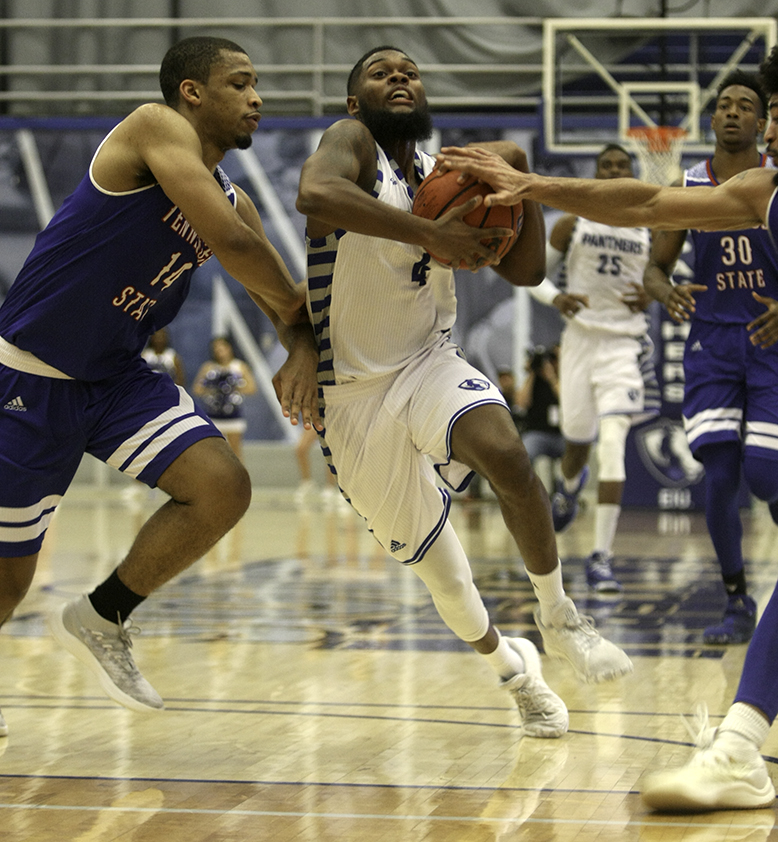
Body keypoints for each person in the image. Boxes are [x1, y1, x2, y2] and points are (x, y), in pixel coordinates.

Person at [435, 45, 778, 812]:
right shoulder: (758, 187)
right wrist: (533, 187)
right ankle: (738, 742)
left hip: (750, 344)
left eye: (772, 111)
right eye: (767, 110)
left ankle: (738, 745)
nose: (764, 123)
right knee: (738, 474)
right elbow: (648, 207)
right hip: (721, 341)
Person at [295, 45, 633, 740]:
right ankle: (515, 669)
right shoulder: (351, 143)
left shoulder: (449, 174)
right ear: (355, 100)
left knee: (507, 456)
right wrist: (431, 232)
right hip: (351, 395)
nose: (401, 76)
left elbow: (528, 267)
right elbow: (315, 195)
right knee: (446, 583)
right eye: (381, 71)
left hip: (429, 360)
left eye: (412, 71)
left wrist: (521, 184)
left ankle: (559, 615)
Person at [0, 36, 320, 739]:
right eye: (240, 83)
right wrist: (317, 314)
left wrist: (302, 346)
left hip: (115, 378)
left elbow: (270, 296)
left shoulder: (237, 200)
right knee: (9, 582)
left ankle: (104, 613)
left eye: (258, 83)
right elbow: (242, 256)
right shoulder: (152, 127)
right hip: (33, 374)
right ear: (192, 93)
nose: (257, 96)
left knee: (223, 487)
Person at [644, 71, 777, 644]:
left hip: (770, 341)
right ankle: (736, 600)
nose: (731, 113)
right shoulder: (689, 185)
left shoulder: (773, 183)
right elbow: (654, 266)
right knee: (720, 477)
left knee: (768, 477)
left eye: (744, 105)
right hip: (712, 345)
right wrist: (665, 289)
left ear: (761, 121)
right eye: (723, 105)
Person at [528, 144, 658, 593]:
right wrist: (557, 298)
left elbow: (668, 273)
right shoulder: (572, 223)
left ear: (632, 174)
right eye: (608, 165)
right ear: (597, 173)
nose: (615, 171)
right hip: (579, 343)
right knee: (577, 446)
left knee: (614, 445)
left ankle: (601, 556)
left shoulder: (648, 226)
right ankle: (568, 488)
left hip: (623, 346)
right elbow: (534, 277)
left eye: (623, 166)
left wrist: (653, 292)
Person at [194, 335, 257, 461]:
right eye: (216, 348)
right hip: (214, 415)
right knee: (216, 451)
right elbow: (197, 389)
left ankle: (239, 479)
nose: (219, 351)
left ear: (229, 348)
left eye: (222, 347)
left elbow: (252, 388)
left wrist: (232, 387)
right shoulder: (208, 367)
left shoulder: (239, 366)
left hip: (233, 415)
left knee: (235, 450)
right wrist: (213, 388)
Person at [513, 347, 565, 493]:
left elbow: (566, 400)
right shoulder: (533, 381)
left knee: (576, 454)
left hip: (561, 435)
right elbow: (520, 403)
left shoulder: (563, 379)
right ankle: (528, 493)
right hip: (537, 433)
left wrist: (552, 377)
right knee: (524, 454)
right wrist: (531, 374)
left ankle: (565, 492)